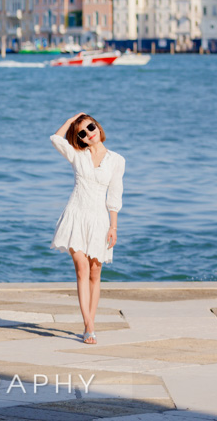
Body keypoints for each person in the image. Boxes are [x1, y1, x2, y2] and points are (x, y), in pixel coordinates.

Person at [49, 112, 126, 344]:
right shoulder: (77, 155)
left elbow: (114, 195)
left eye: (90, 127)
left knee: (95, 272)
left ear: (98, 127)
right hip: (75, 216)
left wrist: (113, 227)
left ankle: (90, 321)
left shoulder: (117, 160)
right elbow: (55, 138)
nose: (88, 134)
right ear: (80, 138)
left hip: (99, 221)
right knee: (82, 268)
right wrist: (74, 119)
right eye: (82, 133)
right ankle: (88, 326)